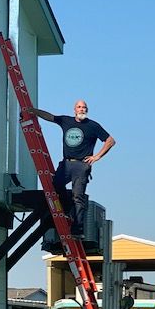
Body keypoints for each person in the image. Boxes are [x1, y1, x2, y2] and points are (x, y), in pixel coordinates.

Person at [27, 100, 115, 237]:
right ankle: (68, 208)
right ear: (74, 110)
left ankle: (77, 228)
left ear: (87, 110)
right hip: (67, 163)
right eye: (79, 107)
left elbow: (110, 141)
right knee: (56, 184)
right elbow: (50, 117)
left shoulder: (93, 126)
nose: (82, 109)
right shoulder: (66, 121)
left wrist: (97, 157)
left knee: (78, 197)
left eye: (84, 107)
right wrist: (34, 111)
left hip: (82, 165)